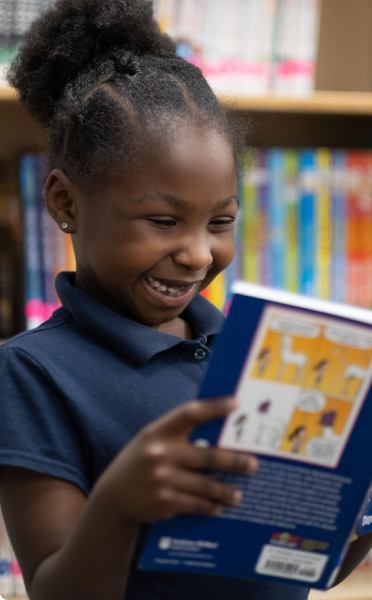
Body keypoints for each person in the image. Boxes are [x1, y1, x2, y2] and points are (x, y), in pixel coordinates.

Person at [0, 2, 369, 599]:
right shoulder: (30, 373)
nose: (198, 254)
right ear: (66, 203)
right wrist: (118, 505)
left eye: (220, 222)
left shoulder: (256, 358)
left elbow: (304, 568)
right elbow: (54, 590)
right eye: (164, 220)